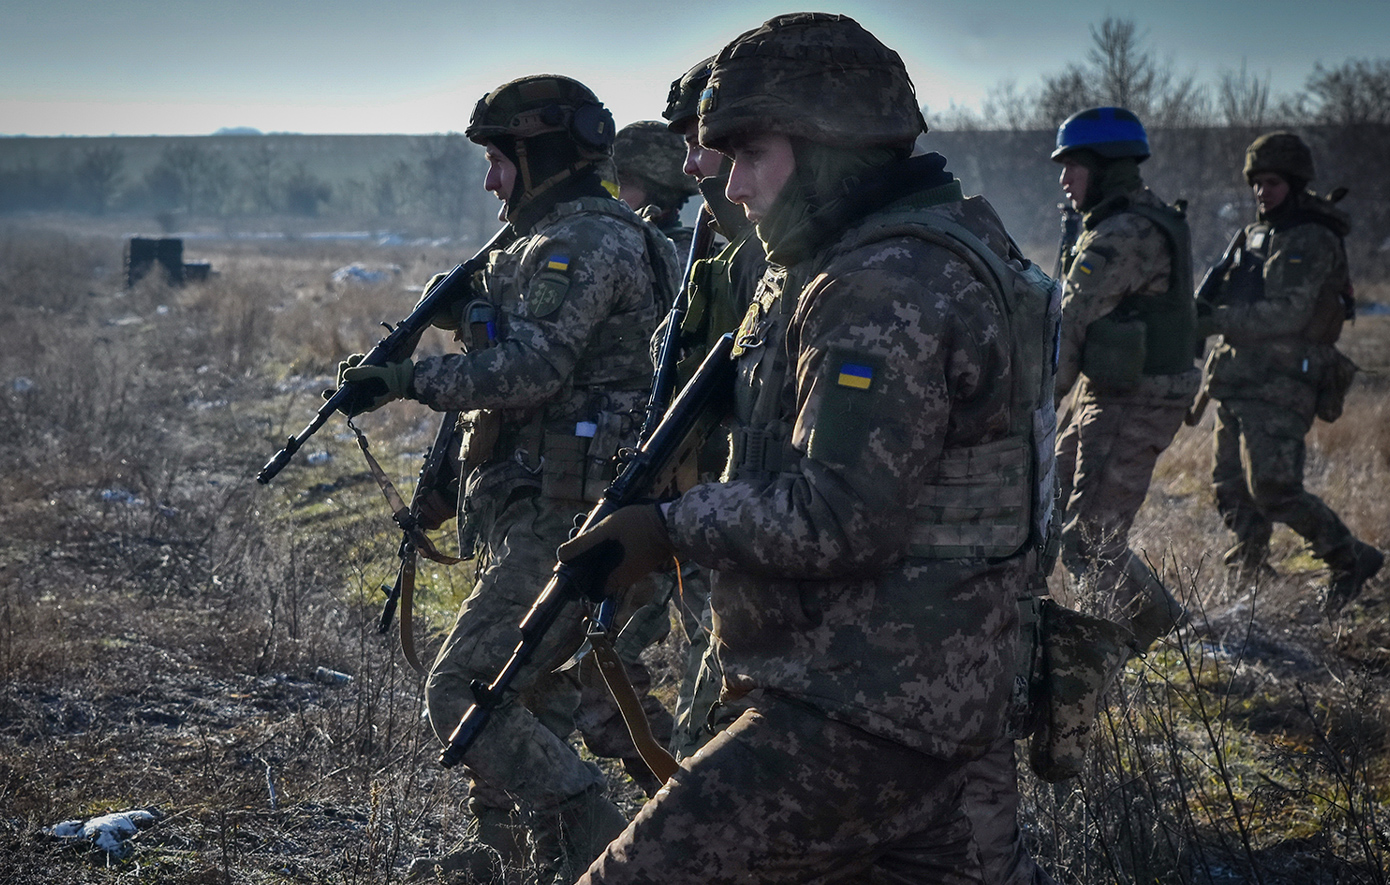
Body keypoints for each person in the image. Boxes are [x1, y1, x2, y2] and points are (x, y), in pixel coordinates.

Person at [556, 13, 1058, 883]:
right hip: (938, 689)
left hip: (861, 707)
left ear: (828, 149)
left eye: (752, 155)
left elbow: (841, 514)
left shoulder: (880, 281)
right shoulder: (939, 242)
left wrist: (667, 526)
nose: (733, 186)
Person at [336, 74, 679, 883]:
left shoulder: (586, 242)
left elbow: (534, 369)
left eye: (499, 160)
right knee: (531, 694)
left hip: (569, 514)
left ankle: (608, 849)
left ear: (544, 155)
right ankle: (519, 857)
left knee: (464, 688)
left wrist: (409, 381)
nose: (490, 180)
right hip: (539, 506)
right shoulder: (545, 240)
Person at [1200, 130, 1383, 612]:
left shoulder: (1311, 239)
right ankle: (1249, 570)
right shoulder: (1259, 234)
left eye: (1273, 182)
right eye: (1256, 182)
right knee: (1230, 484)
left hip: (1284, 381)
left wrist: (1213, 319)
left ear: (1296, 184)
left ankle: (1349, 558)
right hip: (1240, 376)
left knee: (1275, 488)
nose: (1262, 192)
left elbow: (1288, 314)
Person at [1050, 106, 1194, 651]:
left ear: (1106, 167)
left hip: (1136, 397)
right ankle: (1157, 627)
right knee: (1057, 504)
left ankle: (1112, 653)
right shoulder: (1130, 218)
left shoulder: (1123, 233)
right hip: (1110, 390)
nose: (1064, 180)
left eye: (1073, 166)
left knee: (1092, 539)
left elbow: (1072, 321)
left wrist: (1037, 409)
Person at [613, 120, 701, 257]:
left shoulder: (680, 256)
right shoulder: (612, 240)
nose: (613, 194)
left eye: (622, 184)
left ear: (659, 195)